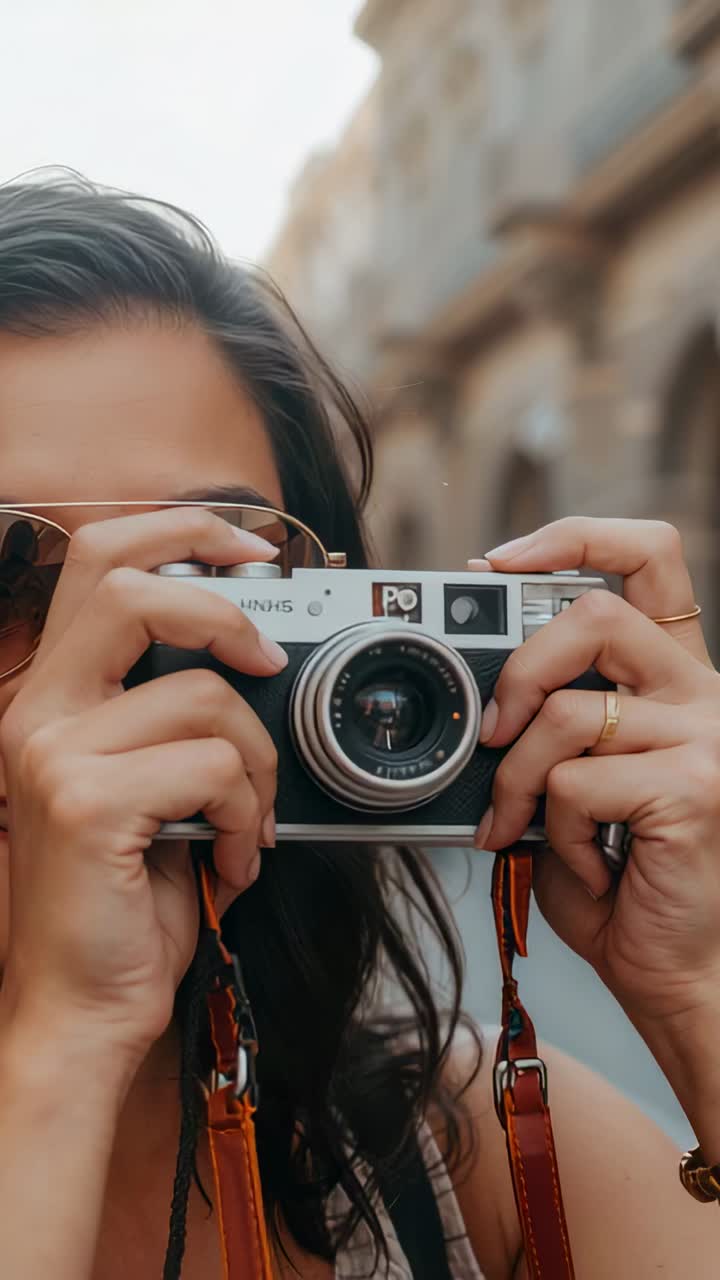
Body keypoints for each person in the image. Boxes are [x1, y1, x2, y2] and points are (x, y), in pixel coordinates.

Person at [0, 173, 717, 1280]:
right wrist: (60, 1051)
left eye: (209, 575)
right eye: (8, 574)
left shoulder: (469, 1153)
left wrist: (701, 989)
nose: (110, 661)